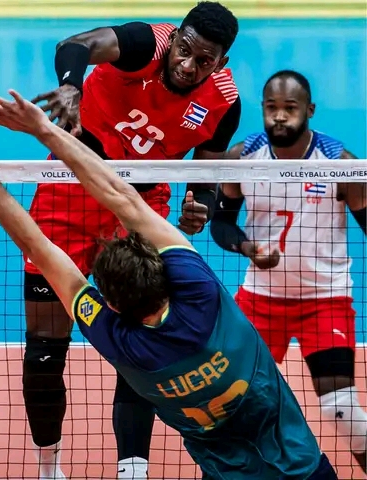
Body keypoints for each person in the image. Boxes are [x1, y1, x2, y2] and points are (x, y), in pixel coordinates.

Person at [0, 90, 338, 479]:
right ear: (164, 272)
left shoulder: (118, 340)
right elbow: (124, 199)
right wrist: (44, 129)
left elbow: (36, 245)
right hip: (302, 468)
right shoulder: (201, 295)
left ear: (110, 303)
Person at [22, 2, 241, 476]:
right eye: (184, 50)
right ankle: (48, 467)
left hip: (138, 209)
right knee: (44, 347)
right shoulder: (145, 43)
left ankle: (133, 471)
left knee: (143, 342)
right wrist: (70, 87)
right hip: (69, 189)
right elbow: (75, 45)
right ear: (176, 36)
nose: (187, 64)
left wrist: (198, 202)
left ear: (221, 63)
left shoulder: (225, 103)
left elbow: (207, 170)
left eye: (204, 60)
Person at [210, 70, 367, 473]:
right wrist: (247, 247)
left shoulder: (339, 164)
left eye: (290, 109)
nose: (280, 117)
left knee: (341, 408)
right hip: (259, 300)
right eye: (271, 108)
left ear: (309, 111)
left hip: (325, 299)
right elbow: (221, 223)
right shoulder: (243, 159)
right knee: (231, 403)